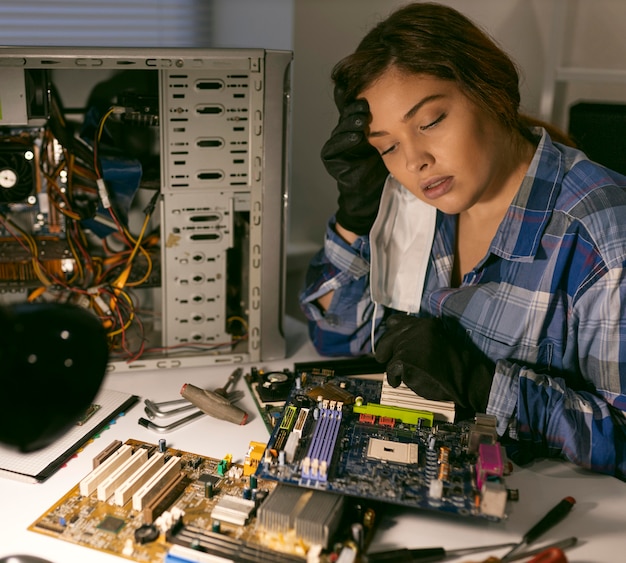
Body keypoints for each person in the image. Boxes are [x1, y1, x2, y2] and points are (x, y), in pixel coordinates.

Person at [299, 1, 626, 480]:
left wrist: (484, 384)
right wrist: (355, 216)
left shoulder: (603, 235)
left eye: (430, 122)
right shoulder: (414, 207)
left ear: (490, 90)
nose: (414, 161)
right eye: (387, 146)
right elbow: (334, 335)